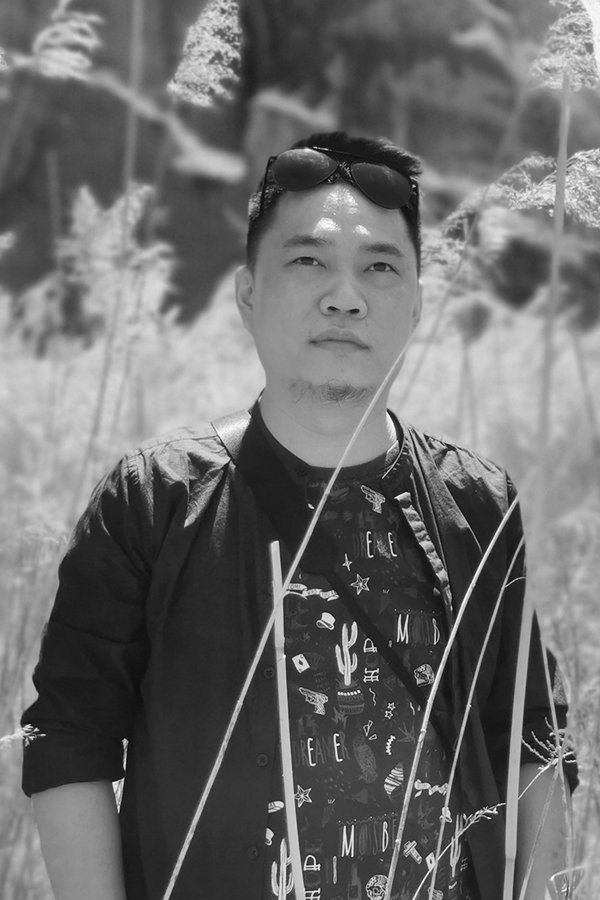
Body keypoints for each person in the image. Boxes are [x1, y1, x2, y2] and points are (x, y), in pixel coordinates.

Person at [22, 131, 577, 900]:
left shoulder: (477, 503)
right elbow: (68, 742)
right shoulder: (153, 499)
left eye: (380, 267)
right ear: (248, 294)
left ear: (417, 304)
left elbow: (534, 742)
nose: (345, 296)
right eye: (308, 261)